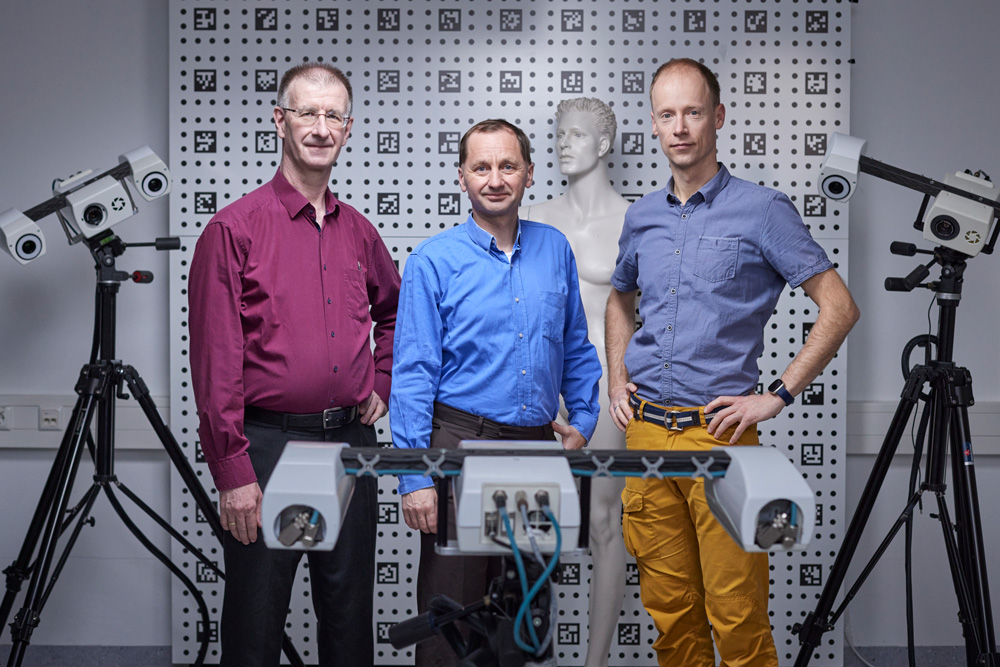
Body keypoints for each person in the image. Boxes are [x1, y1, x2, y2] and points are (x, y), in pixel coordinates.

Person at [605, 58, 860, 667]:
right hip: (643, 435)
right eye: (667, 115)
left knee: (737, 619)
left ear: (717, 118)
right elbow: (619, 299)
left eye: (693, 112)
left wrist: (776, 394)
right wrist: (616, 375)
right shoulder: (642, 217)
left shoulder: (764, 210)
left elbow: (839, 307)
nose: (681, 127)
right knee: (672, 620)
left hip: (720, 437)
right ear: (655, 125)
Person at [188, 62, 400, 667]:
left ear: (349, 128)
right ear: (280, 120)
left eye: (333, 114)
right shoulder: (234, 230)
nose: (320, 126)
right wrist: (232, 471)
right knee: (258, 627)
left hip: (347, 448)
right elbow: (215, 362)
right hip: (269, 451)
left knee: (347, 622)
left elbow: (396, 313)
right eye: (307, 111)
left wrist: (380, 380)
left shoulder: (358, 232)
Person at [391, 118, 603, 667]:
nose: (495, 178)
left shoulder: (554, 249)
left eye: (507, 165)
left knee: (525, 617)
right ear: (461, 176)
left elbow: (577, 346)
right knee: (452, 618)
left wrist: (582, 418)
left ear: (529, 173)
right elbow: (412, 372)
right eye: (481, 167)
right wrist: (415, 477)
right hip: (459, 446)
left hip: (537, 450)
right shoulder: (433, 261)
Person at [519, 97, 629, 667]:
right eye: (559, 134)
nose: (563, 144)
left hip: (610, 385)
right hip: (539, 382)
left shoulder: (636, 219)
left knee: (604, 521)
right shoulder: (535, 216)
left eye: (578, 134)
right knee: (528, 523)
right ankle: (532, 653)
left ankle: (595, 662)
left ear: (605, 145)